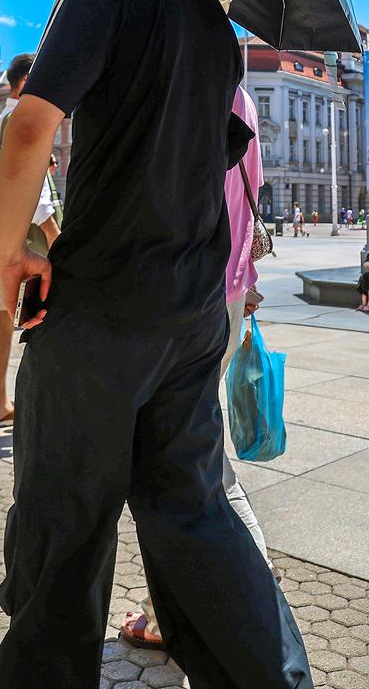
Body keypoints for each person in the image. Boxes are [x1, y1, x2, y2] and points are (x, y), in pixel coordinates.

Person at [0, 0, 311, 685]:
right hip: (192, 308)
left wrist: (9, 248)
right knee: (194, 511)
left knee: (66, 527)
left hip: (100, 308)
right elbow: (217, 162)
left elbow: (30, 125)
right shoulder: (219, 32)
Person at [120, 84, 275, 652]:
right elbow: (247, 191)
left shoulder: (191, 86)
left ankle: (232, 593)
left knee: (183, 457)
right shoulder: (242, 96)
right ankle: (238, 588)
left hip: (190, 294)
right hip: (226, 289)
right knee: (195, 450)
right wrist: (248, 282)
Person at [0, 53, 61, 431]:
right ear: (27, 81)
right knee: (35, 321)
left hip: (8, 237)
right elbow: (31, 188)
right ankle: (27, 409)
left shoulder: (5, 118)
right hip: (27, 243)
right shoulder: (21, 117)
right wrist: (56, 238)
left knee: (3, 318)